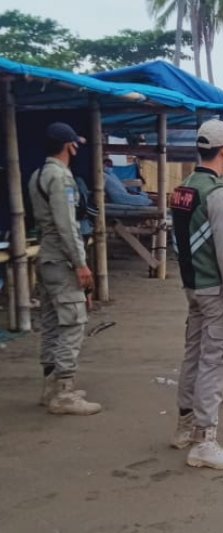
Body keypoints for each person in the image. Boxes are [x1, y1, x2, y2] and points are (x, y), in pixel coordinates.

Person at [169, 119, 223, 470]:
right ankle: (204, 441)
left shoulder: (184, 187)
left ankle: (184, 426)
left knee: (194, 354)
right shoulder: (217, 194)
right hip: (214, 289)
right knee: (215, 361)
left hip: (192, 285)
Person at [29, 122, 101, 416]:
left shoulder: (37, 175)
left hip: (46, 257)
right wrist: (81, 263)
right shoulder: (61, 178)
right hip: (62, 260)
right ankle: (64, 391)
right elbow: (66, 225)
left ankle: (50, 385)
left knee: (50, 323)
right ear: (69, 146)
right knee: (72, 323)